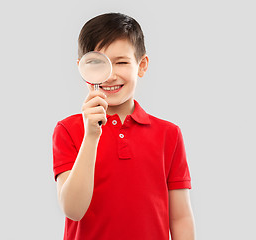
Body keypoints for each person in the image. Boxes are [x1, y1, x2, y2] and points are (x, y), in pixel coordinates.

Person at [52, 12, 195, 240]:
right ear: (83, 68)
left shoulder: (169, 134)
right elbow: (73, 210)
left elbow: (180, 217)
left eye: (121, 62)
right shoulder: (68, 130)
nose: (110, 75)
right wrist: (91, 135)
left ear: (142, 65)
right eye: (98, 63)